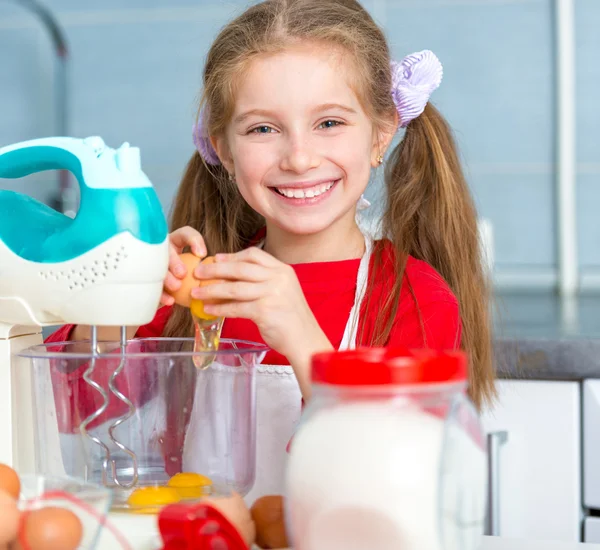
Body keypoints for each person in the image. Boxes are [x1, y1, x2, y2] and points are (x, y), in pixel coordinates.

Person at [47, 0, 495, 502]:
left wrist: (302, 335)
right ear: (224, 149)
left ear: (381, 133)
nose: (299, 158)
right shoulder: (204, 292)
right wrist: (123, 301)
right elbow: (74, 412)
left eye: (329, 123)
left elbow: (401, 484)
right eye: (263, 128)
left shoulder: (414, 299)